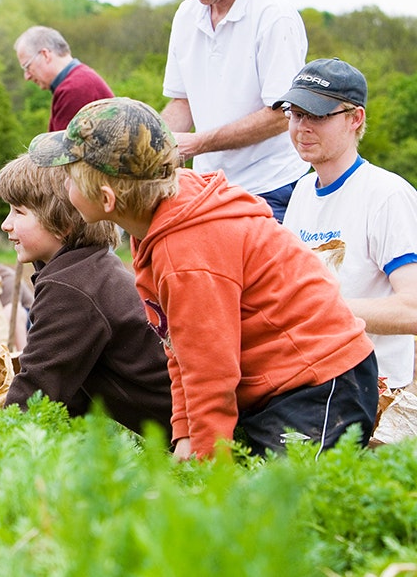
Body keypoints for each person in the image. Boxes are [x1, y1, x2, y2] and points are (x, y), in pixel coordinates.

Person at [29, 97, 378, 459]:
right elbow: (180, 345)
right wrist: (184, 430)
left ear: (106, 199)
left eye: (70, 177)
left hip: (320, 381)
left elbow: (211, 367)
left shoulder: (186, 253)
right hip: (278, 386)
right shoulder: (159, 217)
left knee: (287, 491)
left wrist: (204, 454)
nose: (64, 184)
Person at [0, 154, 172, 436]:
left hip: (194, 432)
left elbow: (37, 387)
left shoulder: (71, 288)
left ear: (62, 223)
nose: (6, 224)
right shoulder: (91, 267)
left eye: (18, 211)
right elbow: (72, 387)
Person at [276, 58, 417, 390]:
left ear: (355, 118)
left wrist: (322, 310)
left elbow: (413, 308)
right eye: (295, 114)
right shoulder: (302, 191)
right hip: (310, 382)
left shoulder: (387, 195)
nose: (302, 127)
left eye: (317, 115)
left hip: (373, 391)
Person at [162, 0, 308, 222]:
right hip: (207, 187)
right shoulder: (186, 15)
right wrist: (152, 142)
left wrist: (197, 143)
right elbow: (182, 102)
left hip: (270, 187)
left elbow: (282, 114)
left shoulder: (273, 15)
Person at [0, 25, 113, 195]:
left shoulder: (76, 88)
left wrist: (9, 184)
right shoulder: (76, 81)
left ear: (45, 55)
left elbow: (58, 163)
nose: (27, 76)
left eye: (27, 67)